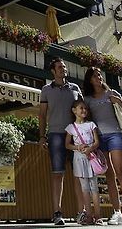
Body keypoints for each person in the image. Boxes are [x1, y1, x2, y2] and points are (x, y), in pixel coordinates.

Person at [83, 66, 122, 226]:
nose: (99, 78)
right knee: (109, 176)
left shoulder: (112, 93)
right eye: (95, 76)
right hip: (99, 138)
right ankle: (117, 213)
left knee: (121, 174)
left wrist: (119, 101)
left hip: (115, 135)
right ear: (90, 79)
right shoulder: (87, 99)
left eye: (100, 75)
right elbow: (85, 117)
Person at [39, 57, 85, 226]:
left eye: (64, 67)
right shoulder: (46, 90)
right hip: (55, 134)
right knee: (58, 174)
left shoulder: (75, 88)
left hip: (75, 135)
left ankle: (82, 212)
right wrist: (42, 136)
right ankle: (57, 213)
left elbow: (82, 112)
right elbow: (42, 115)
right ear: (53, 70)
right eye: (59, 67)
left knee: (79, 174)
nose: (63, 69)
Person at [65, 100, 104, 226]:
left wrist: (90, 148)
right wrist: (78, 147)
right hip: (78, 159)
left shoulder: (91, 124)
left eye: (85, 108)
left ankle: (98, 216)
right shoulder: (71, 127)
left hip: (90, 158)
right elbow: (67, 144)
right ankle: (88, 216)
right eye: (81, 108)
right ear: (74, 110)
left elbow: (96, 142)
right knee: (84, 188)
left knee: (94, 187)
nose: (84, 110)